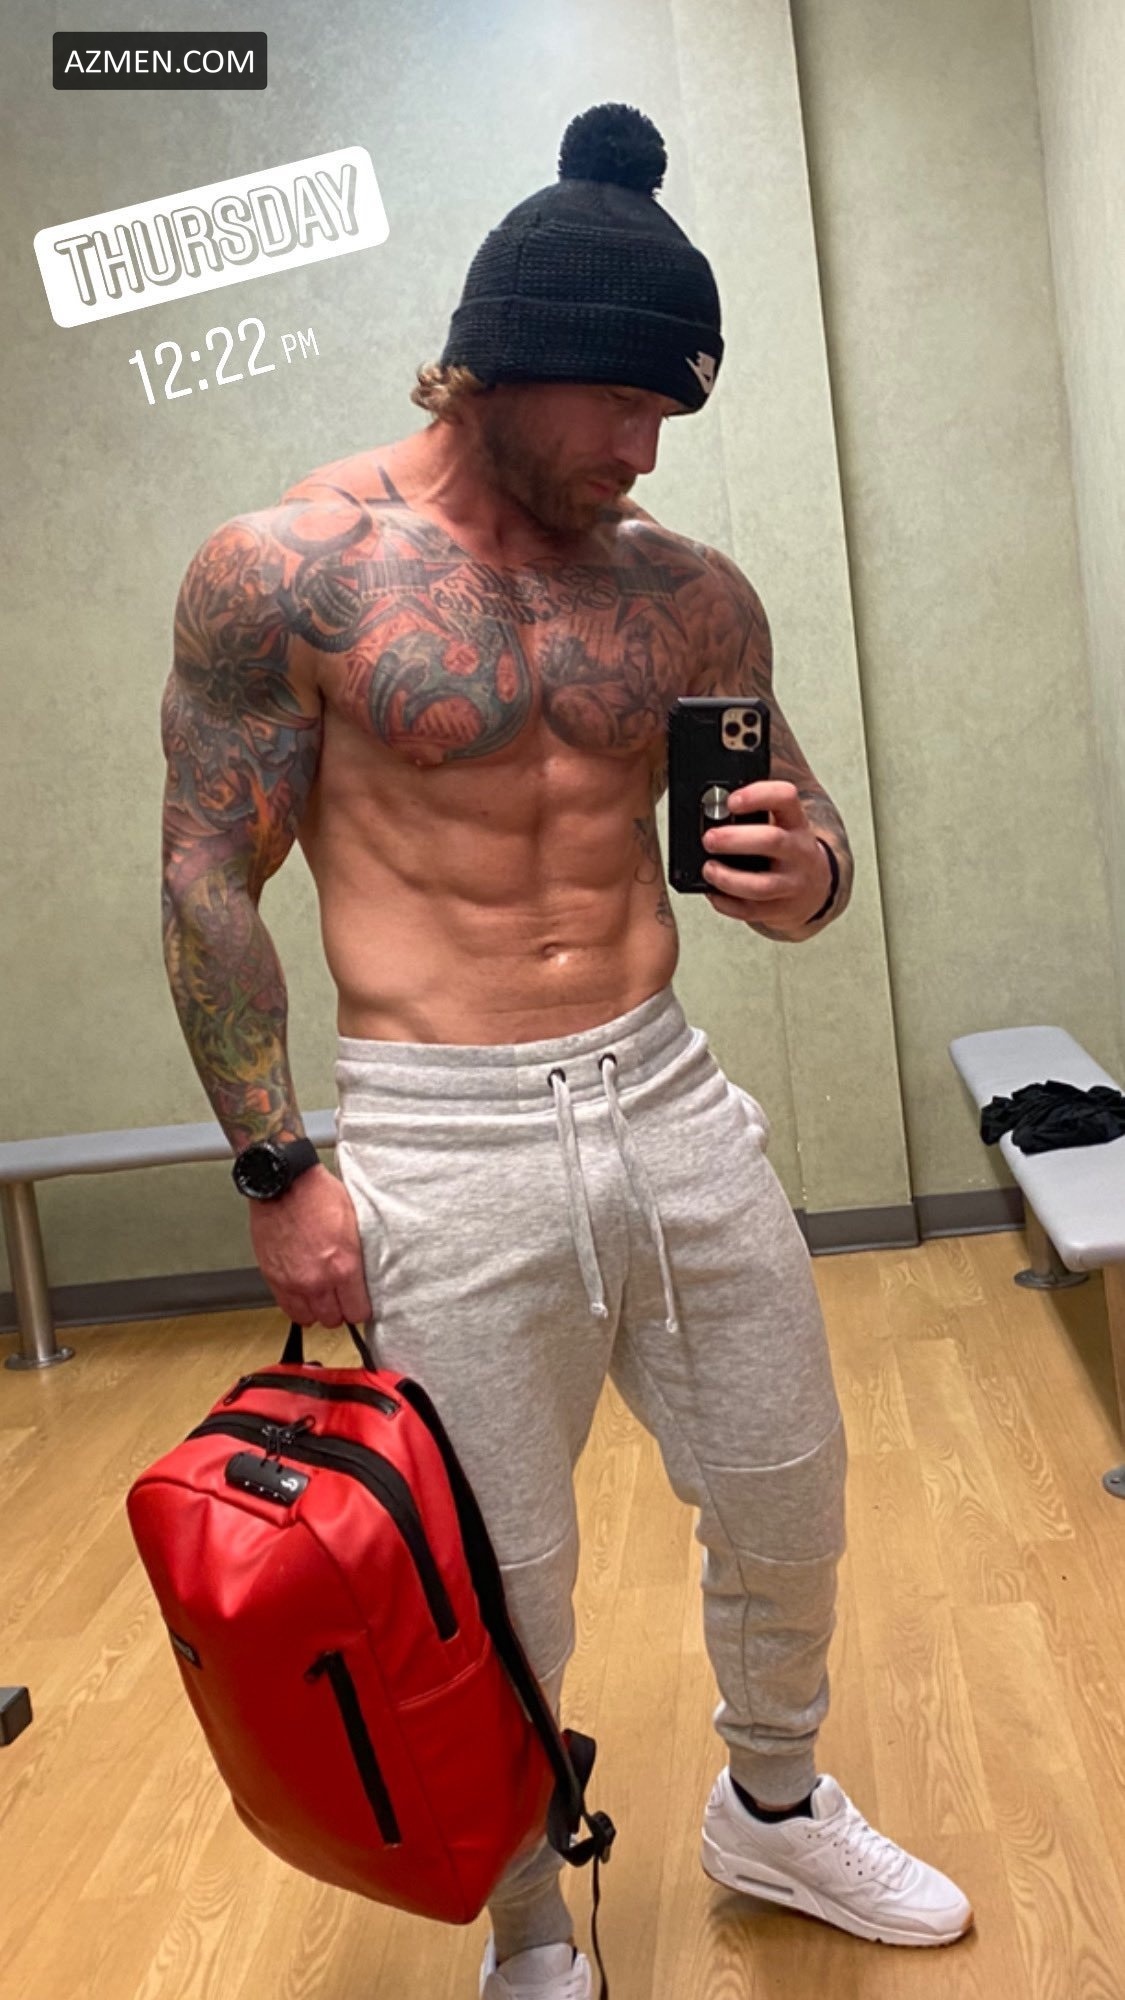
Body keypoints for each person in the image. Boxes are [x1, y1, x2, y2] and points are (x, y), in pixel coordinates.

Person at [160, 101, 973, 2000]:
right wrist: (279, 1171)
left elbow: (797, 838)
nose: (644, 445)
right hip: (439, 1134)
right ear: (504, 360)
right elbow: (206, 877)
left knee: (784, 1487)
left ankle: (772, 1810)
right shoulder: (288, 571)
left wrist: (810, 877)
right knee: (494, 1575)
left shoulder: (684, 593)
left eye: (670, 411)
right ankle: (530, 1927)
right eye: (621, 400)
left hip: (664, 1088)